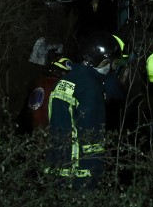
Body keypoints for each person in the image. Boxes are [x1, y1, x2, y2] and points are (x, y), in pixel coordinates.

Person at [46, 32, 120, 189]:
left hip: (57, 165)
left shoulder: (66, 80)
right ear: (104, 61)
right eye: (112, 63)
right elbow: (92, 137)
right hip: (81, 172)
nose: (112, 68)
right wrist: (98, 171)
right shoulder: (91, 88)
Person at [25, 56, 73, 132]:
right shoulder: (46, 84)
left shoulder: (41, 83)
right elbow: (36, 112)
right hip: (42, 132)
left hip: (36, 131)